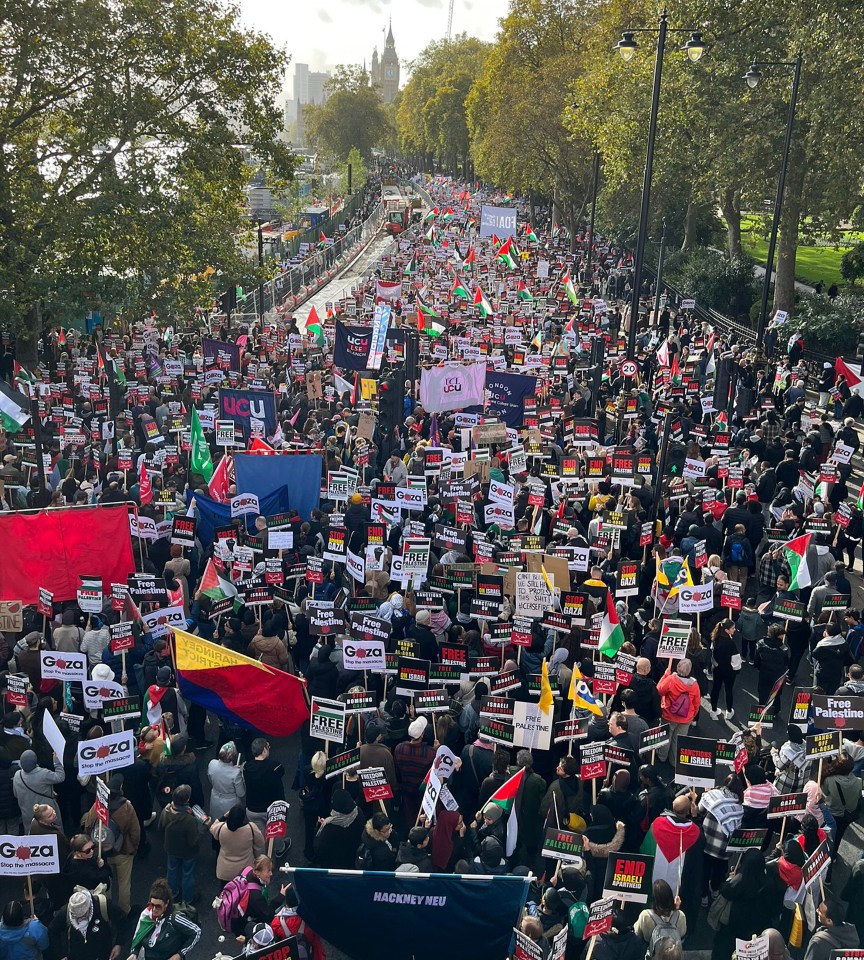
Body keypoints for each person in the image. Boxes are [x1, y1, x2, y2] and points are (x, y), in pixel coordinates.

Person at [81, 773, 141, 916]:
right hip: (123, 853)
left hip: (103, 854)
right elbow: (135, 831)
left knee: (105, 883)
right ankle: (124, 911)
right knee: (124, 884)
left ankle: (106, 911)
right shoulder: (127, 807)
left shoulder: (98, 805)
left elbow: (88, 825)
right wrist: (133, 848)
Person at [127, 877, 201, 960]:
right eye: (152, 905)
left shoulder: (175, 918)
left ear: (166, 904)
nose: (154, 909)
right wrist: (134, 952)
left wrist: (179, 954)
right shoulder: (146, 915)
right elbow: (138, 936)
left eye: (158, 906)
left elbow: (196, 931)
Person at [48, 888, 125, 960]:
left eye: (83, 916)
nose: (79, 920)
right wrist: (60, 955)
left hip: (102, 955)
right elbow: (53, 930)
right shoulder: (66, 912)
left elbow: (122, 921)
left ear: (89, 908)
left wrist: (118, 943)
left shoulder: (103, 906)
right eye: (75, 916)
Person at [158, 785, 201, 906]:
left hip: (171, 848)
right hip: (187, 852)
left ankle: (173, 894)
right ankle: (188, 899)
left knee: (171, 870)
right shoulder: (189, 819)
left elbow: (160, 827)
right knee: (188, 874)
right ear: (186, 800)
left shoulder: (166, 810)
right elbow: (193, 841)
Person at [244, 738, 287, 857]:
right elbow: (282, 772)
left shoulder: (247, 768)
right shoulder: (275, 766)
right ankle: (280, 849)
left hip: (253, 808)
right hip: (273, 808)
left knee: (259, 835)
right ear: (264, 750)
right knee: (276, 830)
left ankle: (261, 858)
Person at [655, 660, 701, 763]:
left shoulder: (671, 679)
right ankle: (674, 761)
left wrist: (666, 675)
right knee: (678, 740)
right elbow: (697, 702)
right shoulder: (694, 685)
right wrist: (693, 715)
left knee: (666, 736)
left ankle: (662, 757)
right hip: (686, 718)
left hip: (669, 715)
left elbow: (659, 690)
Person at [209, 804, 265, 886]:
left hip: (225, 871)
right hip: (245, 871)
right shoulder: (251, 828)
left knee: (226, 894)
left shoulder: (220, 828)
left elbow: (212, 827)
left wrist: (224, 816)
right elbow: (260, 843)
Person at [313, 787, 364, 869]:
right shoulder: (359, 813)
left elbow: (319, 848)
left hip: (334, 864)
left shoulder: (329, 828)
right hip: (352, 858)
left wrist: (321, 825)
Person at [12, 749, 64, 829]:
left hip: (28, 815)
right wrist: (56, 762)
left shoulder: (17, 775)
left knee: (32, 837)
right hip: (47, 813)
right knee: (53, 833)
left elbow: (15, 794)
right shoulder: (43, 773)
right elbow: (60, 777)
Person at [803, 894, 860, 960]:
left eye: (820, 911)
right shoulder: (852, 936)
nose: (816, 910)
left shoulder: (818, 943)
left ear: (829, 921)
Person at [634, 879, 686, 949]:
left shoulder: (645, 915)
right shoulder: (681, 915)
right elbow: (682, 934)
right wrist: (676, 909)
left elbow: (637, 932)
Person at [708, 620, 741, 720]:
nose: (735, 630)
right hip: (729, 671)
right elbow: (736, 661)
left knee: (715, 689)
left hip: (717, 669)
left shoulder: (715, 638)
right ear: (726, 630)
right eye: (733, 628)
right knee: (728, 690)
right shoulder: (731, 643)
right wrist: (736, 670)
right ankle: (729, 711)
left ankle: (713, 711)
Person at [207, 741, 246, 819]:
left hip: (215, 798)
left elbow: (210, 778)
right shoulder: (236, 773)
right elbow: (241, 793)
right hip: (231, 803)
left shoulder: (212, 763)